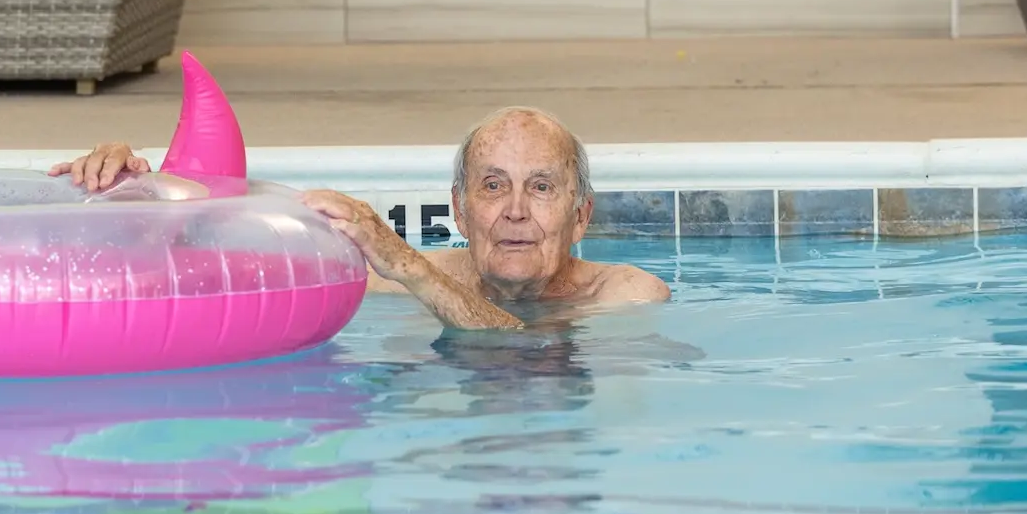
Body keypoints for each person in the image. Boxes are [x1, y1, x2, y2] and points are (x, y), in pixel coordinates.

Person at [51, 106, 670, 331]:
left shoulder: (627, 295)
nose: (514, 210)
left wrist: (407, 265)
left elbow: (524, 349)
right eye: (492, 186)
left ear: (581, 217)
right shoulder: (386, 282)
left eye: (540, 188)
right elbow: (222, 276)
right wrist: (132, 196)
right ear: (460, 211)